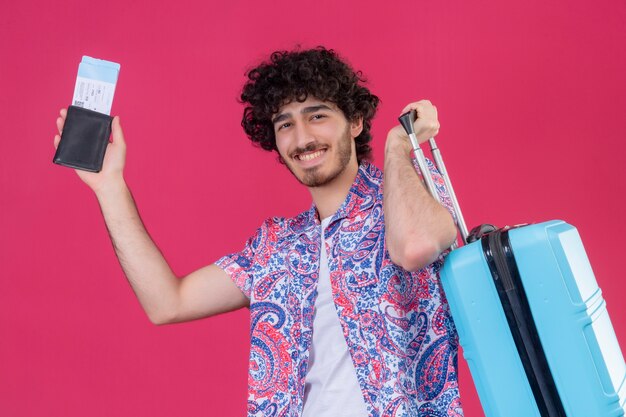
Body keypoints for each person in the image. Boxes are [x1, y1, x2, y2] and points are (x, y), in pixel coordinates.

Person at [53, 47, 462, 417]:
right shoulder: (275, 245)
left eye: (317, 115)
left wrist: (397, 148)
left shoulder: (414, 194)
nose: (302, 138)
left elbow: (416, 246)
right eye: (285, 124)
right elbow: (167, 303)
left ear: (355, 121)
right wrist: (110, 186)